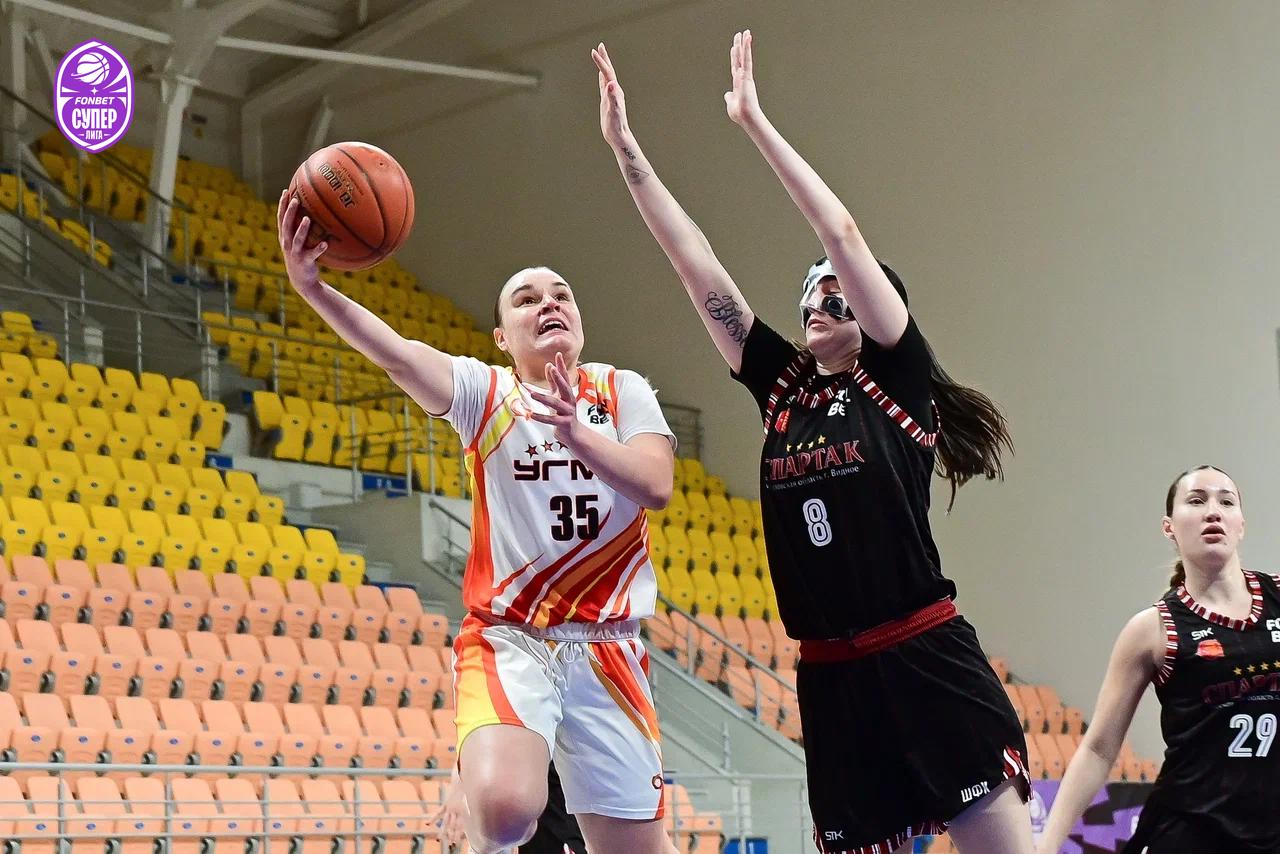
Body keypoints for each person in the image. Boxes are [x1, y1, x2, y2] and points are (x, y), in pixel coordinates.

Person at [592, 32, 1032, 854]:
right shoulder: (783, 387)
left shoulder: (897, 378)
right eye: (809, 291)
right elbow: (694, 263)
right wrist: (627, 151)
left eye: (836, 289)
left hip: (925, 656)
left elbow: (842, 232)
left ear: (875, 311)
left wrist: (754, 123)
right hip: (832, 679)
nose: (817, 297)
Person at [277, 194, 677, 854]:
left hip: (609, 646)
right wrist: (313, 289)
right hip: (513, 636)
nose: (547, 303)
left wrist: (577, 435)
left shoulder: (621, 390)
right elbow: (399, 354)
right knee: (506, 810)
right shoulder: (488, 395)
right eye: (525, 299)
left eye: (561, 295)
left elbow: (656, 485)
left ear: (579, 321)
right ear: (501, 339)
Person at [1037, 466, 1280, 854]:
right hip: (1190, 832)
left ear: (1241, 525)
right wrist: (1046, 845)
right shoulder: (1152, 629)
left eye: (1226, 501)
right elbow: (1099, 749)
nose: (1212, 511)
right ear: (1169, 527)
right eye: (1196, 501)